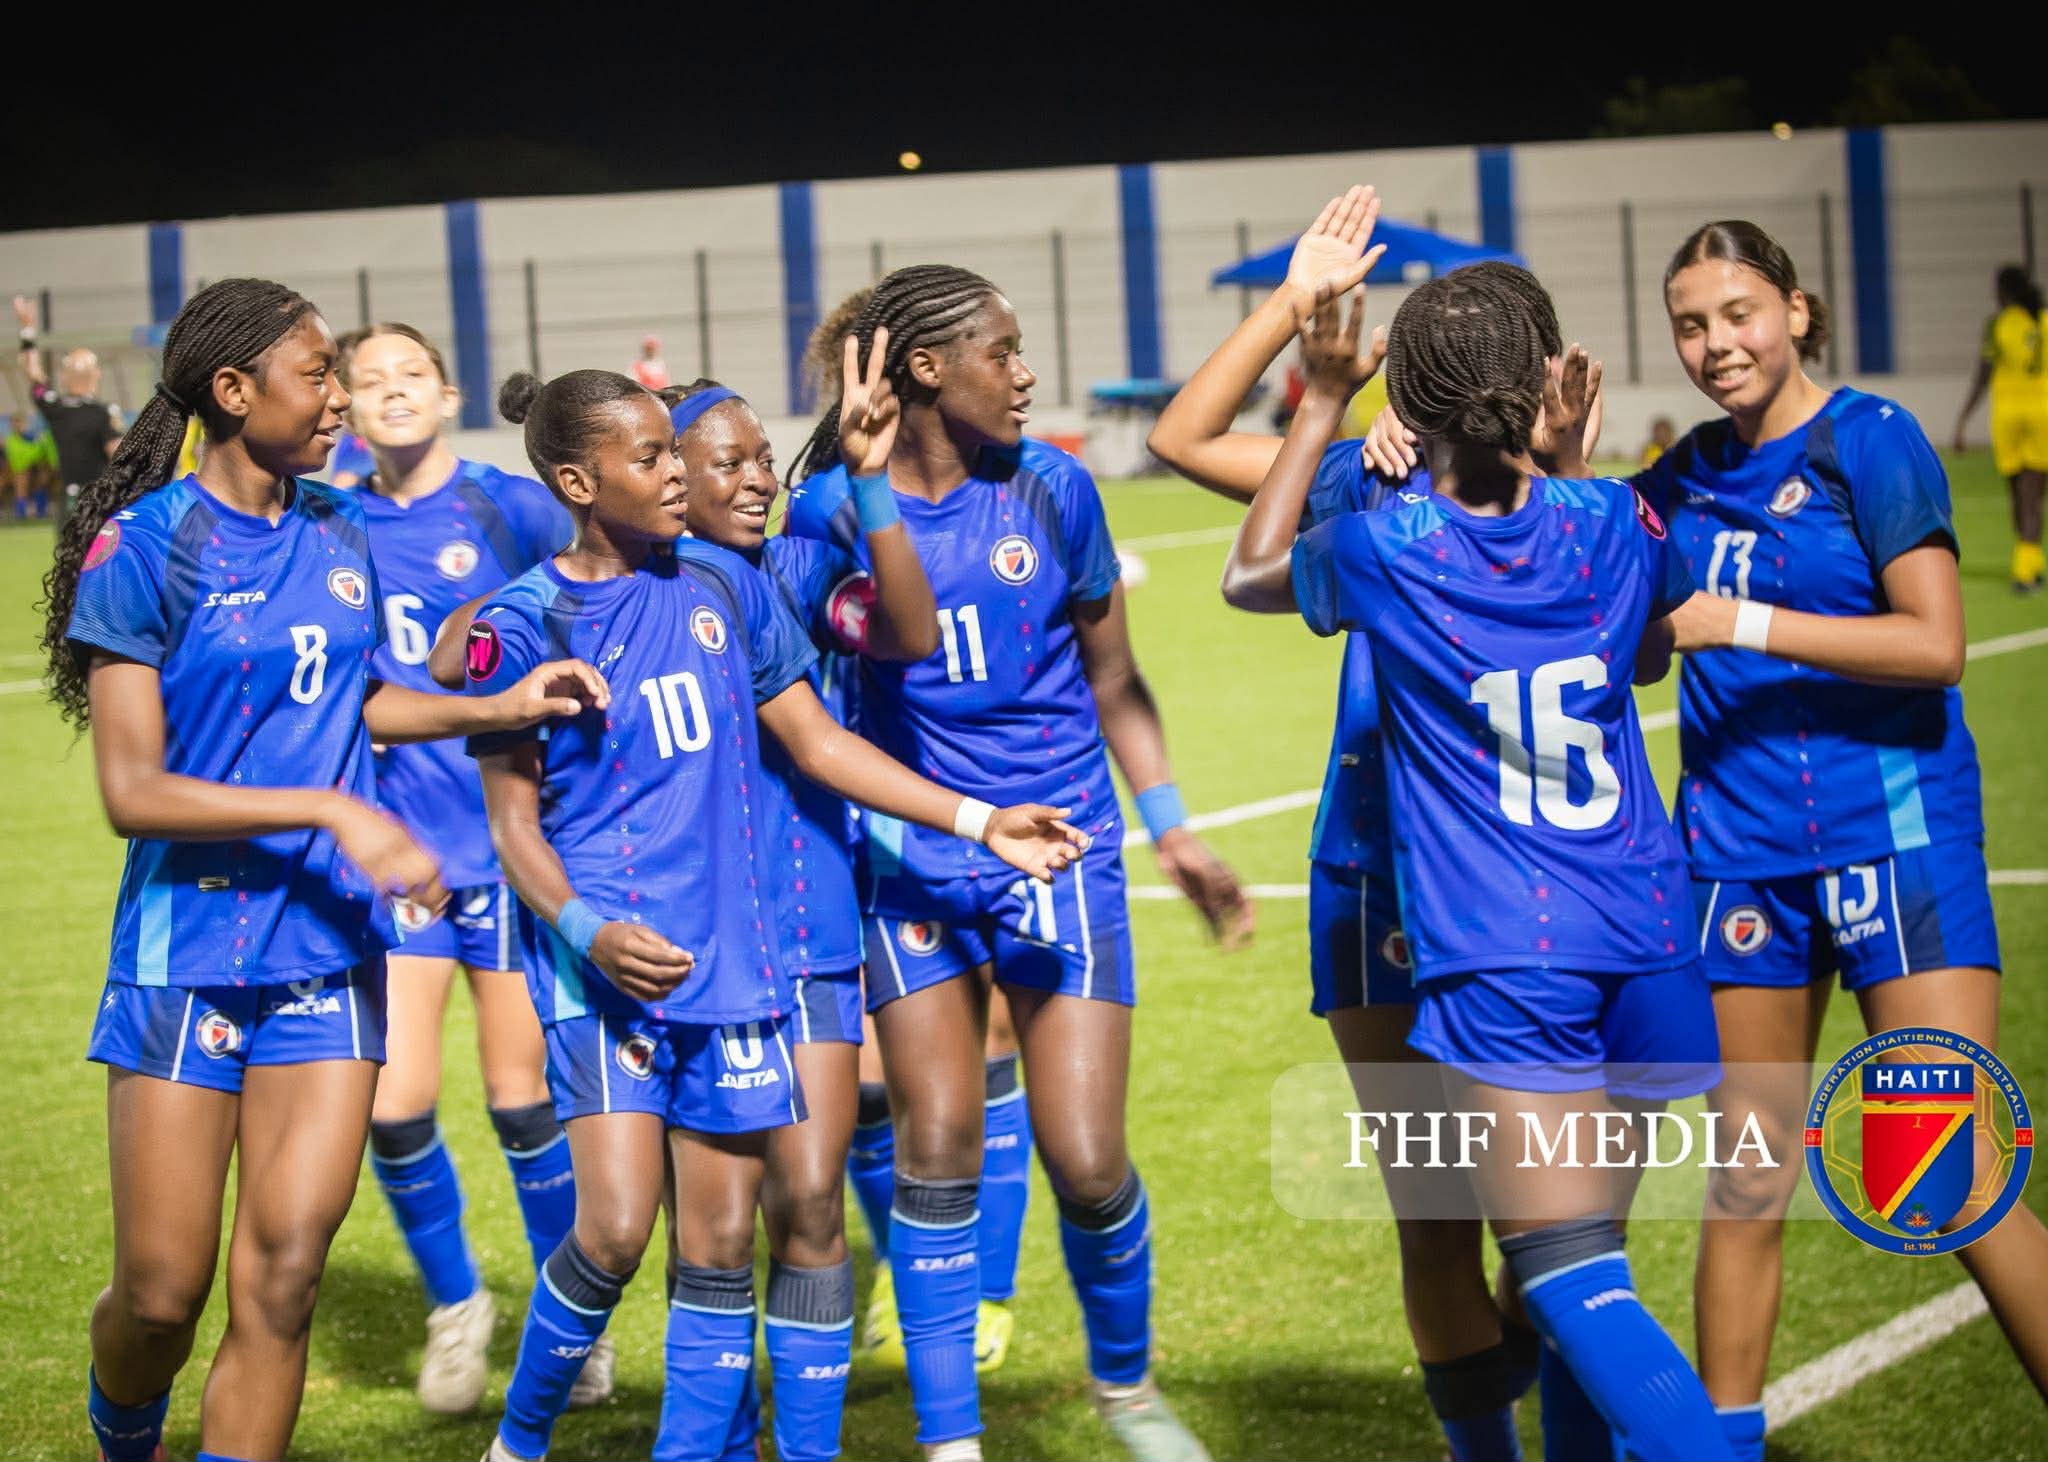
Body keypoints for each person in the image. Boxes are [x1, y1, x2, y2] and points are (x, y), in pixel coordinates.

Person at [467, 367, 1084, 1462]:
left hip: (770, 948)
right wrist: (582, 926)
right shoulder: (539, 612)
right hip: (622, 955)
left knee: (779, 1212)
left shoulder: (759, 581)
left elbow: (851, 702)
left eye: (754, 459)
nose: (750, 479)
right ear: (592, 476)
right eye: (694, 460)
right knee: (625, 1228)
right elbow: (494, 763)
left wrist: (978, 817)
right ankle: (530, 1440)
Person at [38, 277, 607, 1462]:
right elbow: (131, 791)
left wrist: (494, 701)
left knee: (286, 1276)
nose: (340, 396)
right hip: (184, 954)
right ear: (235, 392)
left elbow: (351, 695)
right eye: (318, 374)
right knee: (158, 1295)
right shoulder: (144, 546)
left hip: (329, 954)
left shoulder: (340, 526)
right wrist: (337, 811)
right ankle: (124, 1431)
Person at [1224, 259, 1734, 1462]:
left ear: (1405, 395)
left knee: (1562, 1276)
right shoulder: (1613, 516)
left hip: (1513, 953)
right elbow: (1646, 657)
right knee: (1588, 1261)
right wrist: (1567, 464)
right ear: (1546, 383)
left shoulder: (1387, 546)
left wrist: (1315, 404)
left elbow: (1249, 573)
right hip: (1652, 938)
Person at [1150, 188, 1617, 1461]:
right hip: (1378, 874)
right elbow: (1185, 438)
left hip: (1529, 890)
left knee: (1561, 1220)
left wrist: (1564, 468)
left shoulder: (1585, 514)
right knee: (1436, 1211)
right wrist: (1296, 312)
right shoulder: (1364, 478)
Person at [784, 263, 1250, 1462]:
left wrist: (1174, 825)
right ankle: (953, 1441)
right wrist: (868, 481)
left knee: (1087, 1162)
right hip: (914, 862)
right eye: (1006, 350)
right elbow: (892, 640)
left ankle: (1126, 1388)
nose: (1028, 372)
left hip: (1064, 848)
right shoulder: (830, 510)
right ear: (929, 369)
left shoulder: (1055, 490)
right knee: (935, 1148)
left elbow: (1114, 678)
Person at [1648, 222, 2048, 1454]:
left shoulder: (1868, 441)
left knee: (1945, 1173)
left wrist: (1742, 623)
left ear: (1797, 311)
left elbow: (1934, 646)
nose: (1716, 344)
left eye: (1738, 313)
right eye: (1690, 324)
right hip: (1737, 858)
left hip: (1894, 841)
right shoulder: (1676, 477)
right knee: (1746, 1175)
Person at [652, 348, 942, 1459]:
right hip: (684, 949)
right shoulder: (627, 593)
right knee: (708, 1228)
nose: (757, 477)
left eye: (765, 457)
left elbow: (908, 634)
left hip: (813, 930)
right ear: (667, 472)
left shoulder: (799, 574)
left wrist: (866, 480)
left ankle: (804, 1449)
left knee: (811, 1200)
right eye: (727, 460)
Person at [334, 323, 607, 1415]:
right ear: (345, 408)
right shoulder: (332, 520)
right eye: (368, 381)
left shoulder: (511, 505)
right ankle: (458, 1304)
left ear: (447, 396)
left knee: (518, 1094)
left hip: (505, 841)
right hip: (396, 853)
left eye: (411, 376)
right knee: (392, 1104)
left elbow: (593, 590)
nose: (392, 393)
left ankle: (569, 1322)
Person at [792, 292, 1037, 1379]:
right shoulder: (814, 506)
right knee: (873, 1089)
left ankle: (982, 1291)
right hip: (863, 821)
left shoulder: (1014, 486)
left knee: (983, 1054)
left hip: (980, 812)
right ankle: (909, 1261)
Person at [1953, 264, 2048, 593]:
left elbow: (1983, 375)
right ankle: (2030, 563)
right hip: (2042, 414)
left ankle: (2026, 568)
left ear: (2004, 291)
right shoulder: (2044, 321)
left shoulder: (1997, 325)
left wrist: (1964, 418)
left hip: (2009, 417)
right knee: (2033, 492)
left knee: (2019, 492)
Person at [15, 293, 121, 523]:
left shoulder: (56, 408)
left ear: (64, 377)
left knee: (69, 558)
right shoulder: (103, 413)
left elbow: (34, 377)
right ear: (96, 376)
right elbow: (120, 456)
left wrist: (27, 330)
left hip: (69, 501)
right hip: (101, 501)